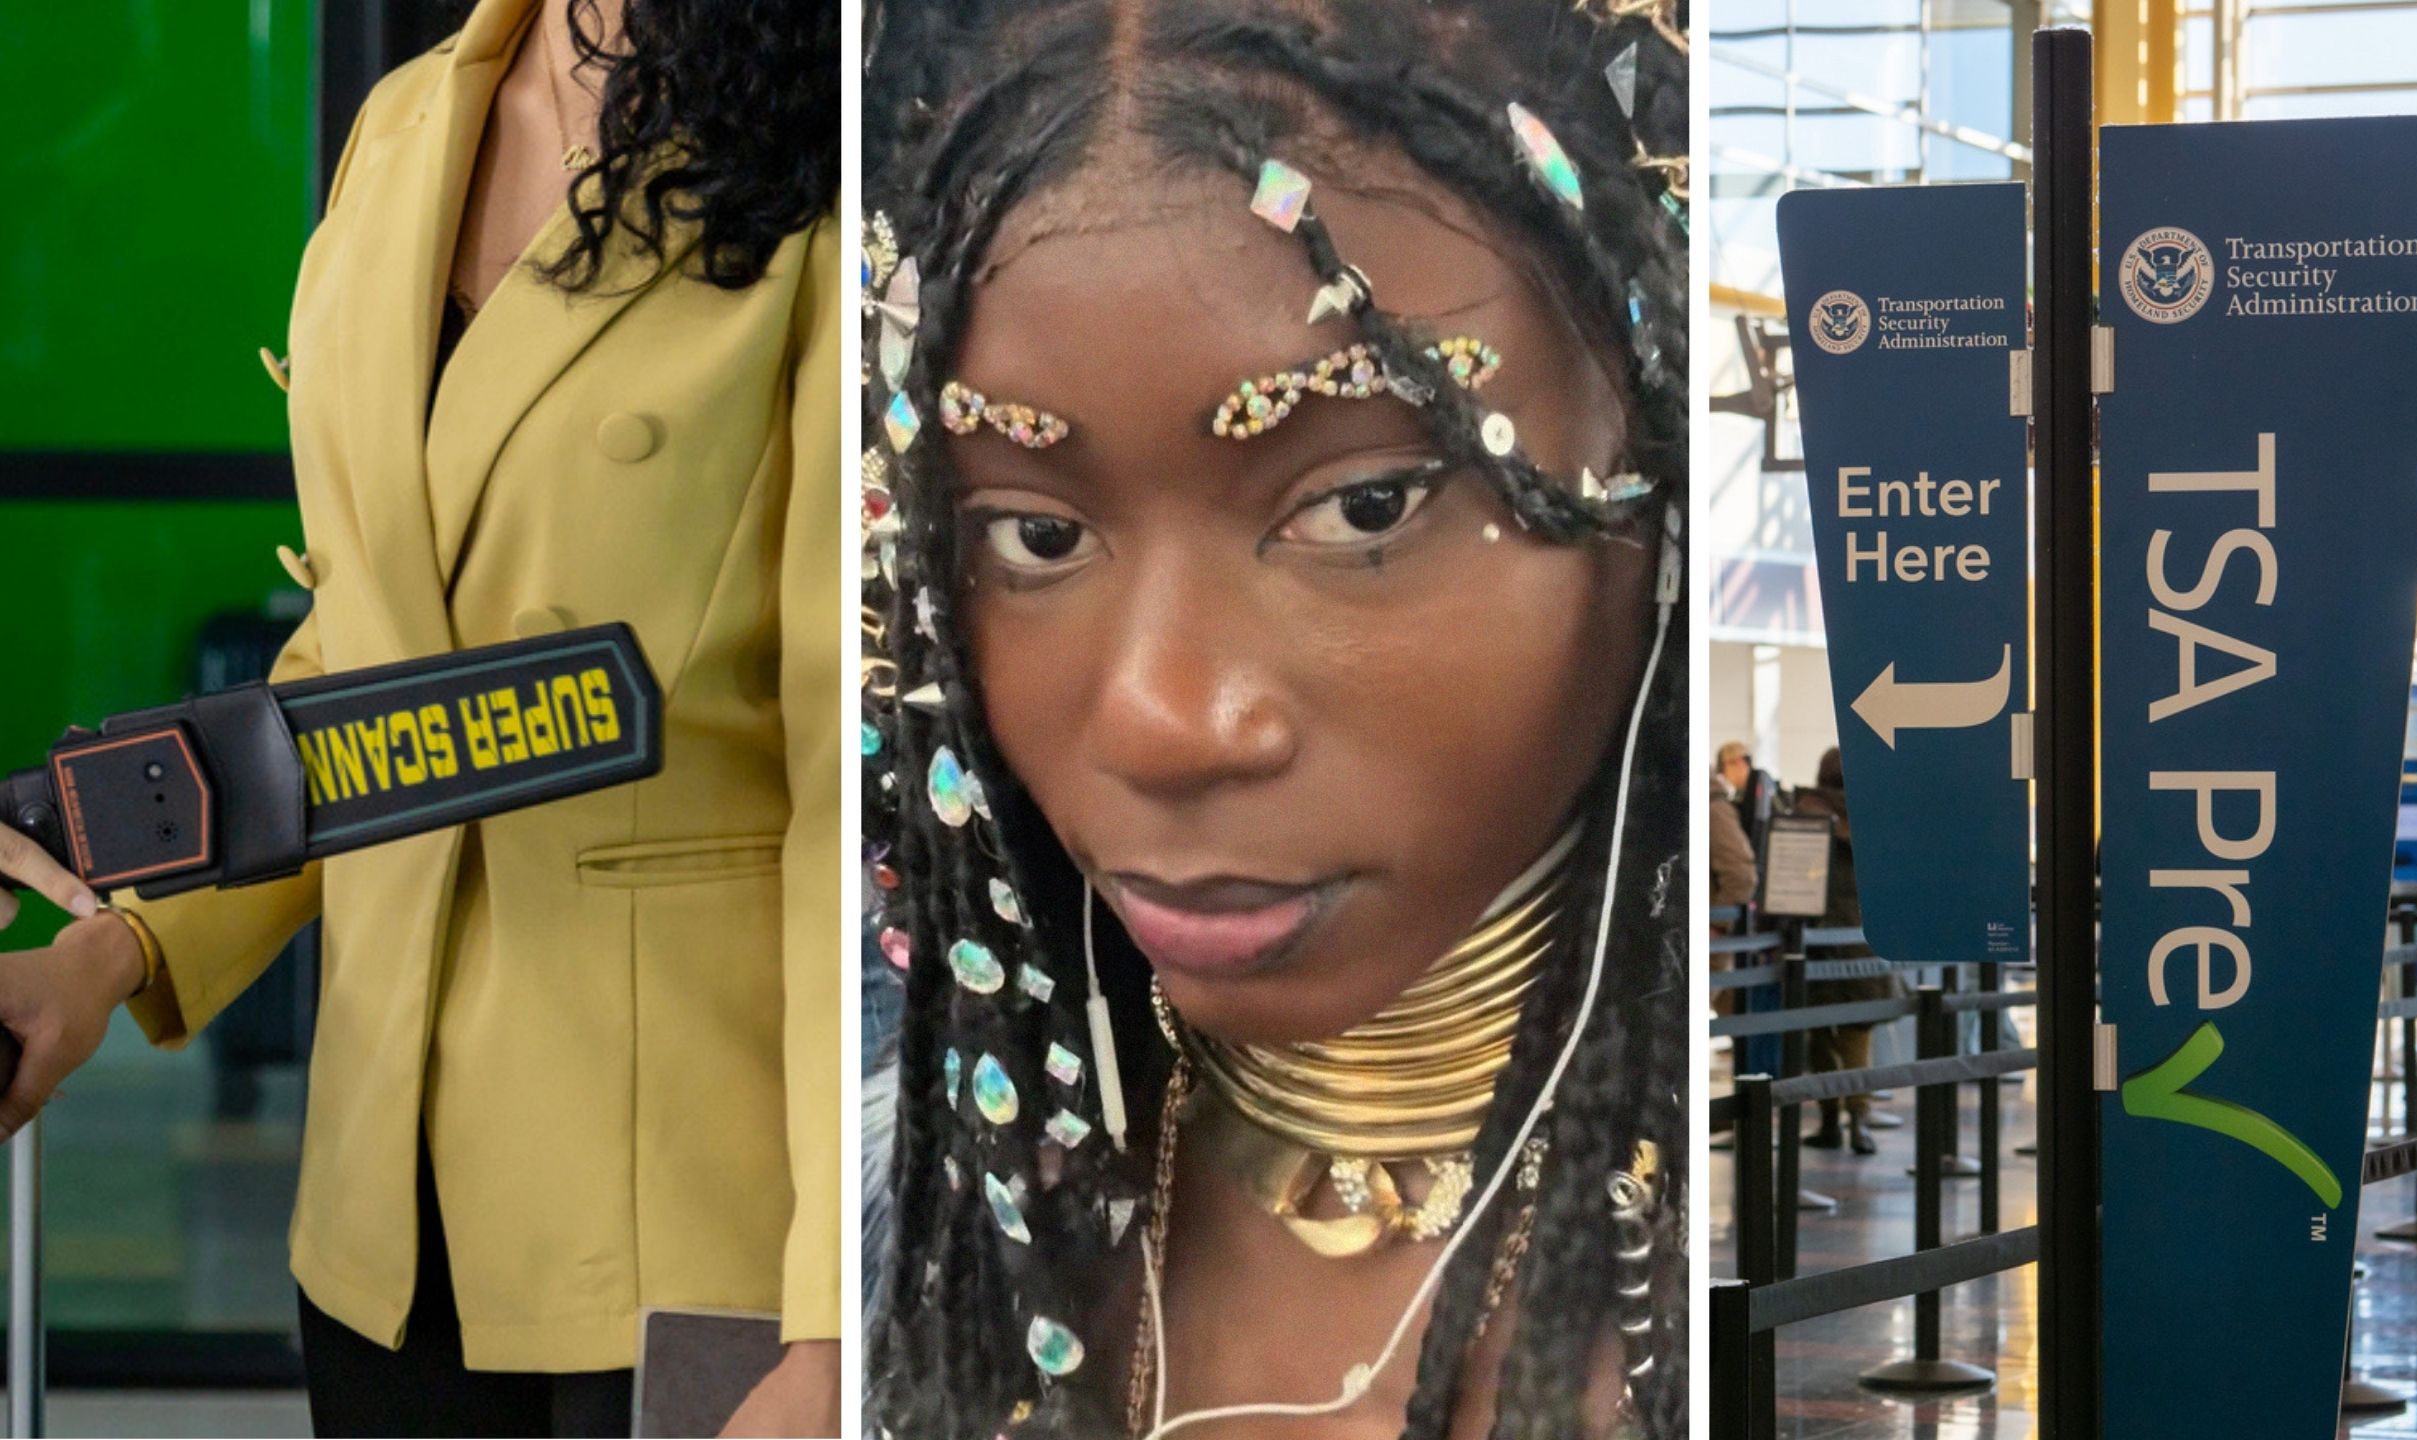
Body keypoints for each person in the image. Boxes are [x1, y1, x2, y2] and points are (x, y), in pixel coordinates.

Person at [0, 3, 840, 1434]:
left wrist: (832, 1323)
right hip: (383, 1214)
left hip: (698, 1225)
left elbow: (857, 784)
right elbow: (375, 658)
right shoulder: (405, 124)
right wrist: (109, 956)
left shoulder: (832, 162)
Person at [858, 1, 1690, 1436]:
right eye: (1035, 538)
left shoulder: (1708, 1323)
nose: (1162, 723)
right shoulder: (923, 1263)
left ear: (1653, 479)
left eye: (1366, 505)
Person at [1788, 749, 1891, 1156]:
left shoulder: (1805, 813)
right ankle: (1859, 1122)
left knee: (1820, 1039)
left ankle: (1830, 1120)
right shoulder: (1873, 818)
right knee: (1856, 1039)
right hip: (1863, 941)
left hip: (1814, 941)